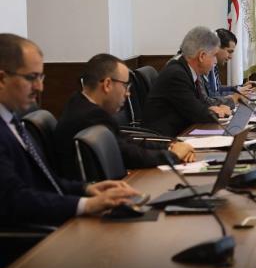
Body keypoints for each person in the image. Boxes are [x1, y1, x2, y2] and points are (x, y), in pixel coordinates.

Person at [0, 34, 139, 226]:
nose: (40, 87)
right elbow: (15, 200)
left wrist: (87, 189)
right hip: (31, 237)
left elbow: (44, 181)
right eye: (31, 77)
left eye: (41, 77)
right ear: (2, 79)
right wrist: (86, 204)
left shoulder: (12, 120)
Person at [54, 54, 195, 180]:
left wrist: (170, 146)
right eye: (125, 86)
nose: (128, 93)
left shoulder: (80, 103)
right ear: (107, 84)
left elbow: (126, 141)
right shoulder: (90, 116)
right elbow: (128, 154)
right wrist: (173, 156)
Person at [143, 26, 232, 137]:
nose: (215, 61)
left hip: (181, 132)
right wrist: (218, 111)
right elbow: (198, 113)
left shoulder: (186, 70)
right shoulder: (177, 74)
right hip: (164, 140)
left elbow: (199, 105)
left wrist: (211, 109)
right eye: (214, 55)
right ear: (202, 56)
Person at [204, 28, 255, 102]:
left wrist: (240, 88)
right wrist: (236, 95)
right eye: (229, 51)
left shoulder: (214, 66)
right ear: (217, 48)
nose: (231, 57)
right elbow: (211, 96)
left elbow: (218, 89)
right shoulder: (204, 67)